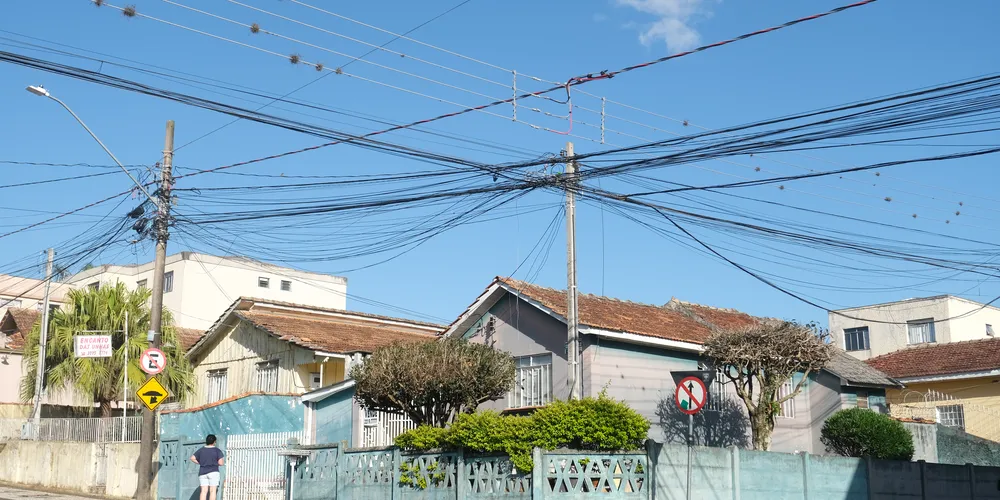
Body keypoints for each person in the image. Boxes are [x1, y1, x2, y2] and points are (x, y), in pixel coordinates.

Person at [190, 434, 225, 500]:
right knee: (212, 491)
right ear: (214, 442)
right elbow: (221, 463)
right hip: (213, 472)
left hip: (202, 473)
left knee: (203, 491)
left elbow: (192, 458)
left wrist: (201, 462)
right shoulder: (217, 450)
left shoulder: (201, 450)